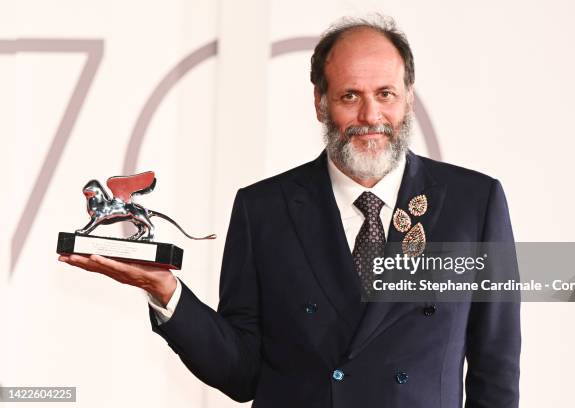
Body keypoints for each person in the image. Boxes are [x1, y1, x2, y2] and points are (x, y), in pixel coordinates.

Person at [59, 15, 520, 408]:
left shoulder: (473, 204)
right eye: (349, 96)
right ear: (320, 102)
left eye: (385, 94)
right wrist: (166, 290)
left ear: (408, 98)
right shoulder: (264, 210)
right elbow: (241, 373)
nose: (370, 114)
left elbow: (495, 370)